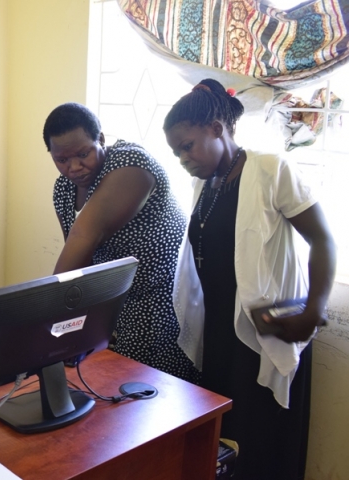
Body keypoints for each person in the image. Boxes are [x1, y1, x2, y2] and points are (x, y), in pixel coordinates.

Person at [164, 79, 335, 480]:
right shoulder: (203, 185)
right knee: (227, 443)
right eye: (176, 152)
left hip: (267, 330)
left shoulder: (271, 169)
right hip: (220, 330)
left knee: (262, 444)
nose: (183, 158)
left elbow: (323, 239)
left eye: (187, 146)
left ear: (217, 129)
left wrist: (314, 310)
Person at [43, 103, 199, 383]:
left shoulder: (131, 165)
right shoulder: (63, 190)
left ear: (101, 139)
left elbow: (85, 237)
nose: (74, 167)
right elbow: (79, 259)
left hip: (158, 305)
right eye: (61, 160)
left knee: (153, 399)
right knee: (108, 397)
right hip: (112, 307)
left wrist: (42, 314)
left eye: (83, 153)